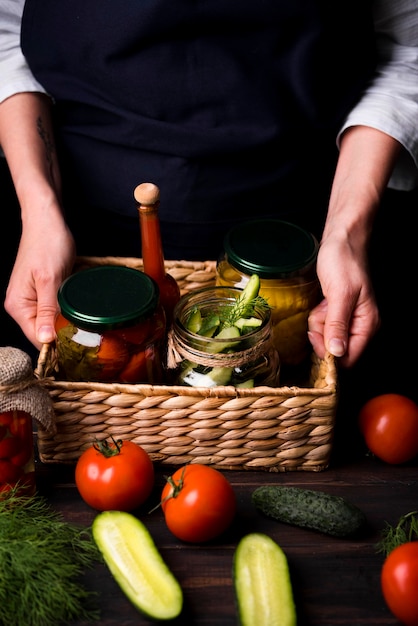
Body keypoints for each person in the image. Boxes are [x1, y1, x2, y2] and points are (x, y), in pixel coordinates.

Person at [0, 0, 417, 382]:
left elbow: (407, 43)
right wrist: (38, 213)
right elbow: (7, 31)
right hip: (81, 243)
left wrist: (348, 233)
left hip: (302, 249)